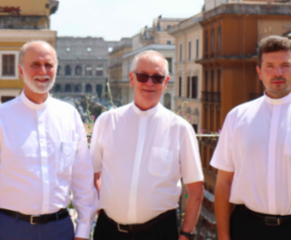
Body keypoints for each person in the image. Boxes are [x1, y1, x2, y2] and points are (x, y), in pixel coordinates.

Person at [0, 41, 98, 240]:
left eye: (49, 65)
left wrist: (83, 230)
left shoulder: (69, 116)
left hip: (59, 229)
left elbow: (82, 178)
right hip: (11, 228)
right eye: (35, 64)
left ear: (56, 69)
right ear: (21, 70)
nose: (43, 71)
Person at [90, 51, 204, 240]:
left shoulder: (180, 129)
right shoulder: (106, 122)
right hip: (108, 231)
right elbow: (93, 174)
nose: (150, 83)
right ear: (132, 79)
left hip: (159, 232)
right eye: (143, 76)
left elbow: (196, 189)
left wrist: (186, 234)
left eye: (157, 78)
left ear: (166, 82)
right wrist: (105, 208)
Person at [211, 35, 291, 240]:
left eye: (285, 65)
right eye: (270, 66)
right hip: (247, 228)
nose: (278, 73)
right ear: (259, 72)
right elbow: (223, 183)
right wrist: (223, 236)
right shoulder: (237, 116)